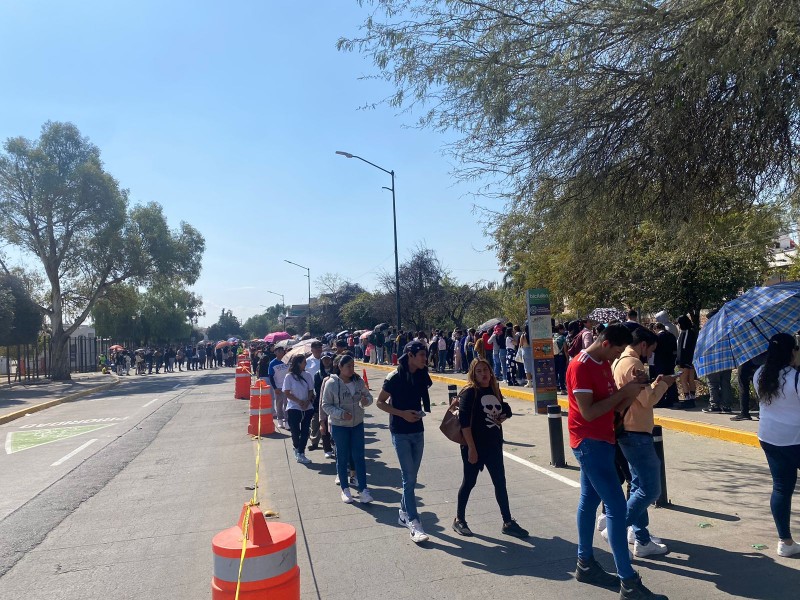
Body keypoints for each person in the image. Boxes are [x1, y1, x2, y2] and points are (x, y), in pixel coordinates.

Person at [567, 324, 667, 599]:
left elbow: (615, 410)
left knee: (589, 501)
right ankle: (628, 581)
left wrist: (634, 389)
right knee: (616, 506)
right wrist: (623, 394)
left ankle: (585, 563)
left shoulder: (601, 363)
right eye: (616, 353)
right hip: (589, 442)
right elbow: (589, 413)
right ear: (606, 343)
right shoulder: (581, 366)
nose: (616, 360)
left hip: (604, 439)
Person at [612, 327, 674, 557]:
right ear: (643, 345)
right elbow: (648, 400)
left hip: (629, 430)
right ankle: (616, 527)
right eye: (651, 350)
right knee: (650, 489)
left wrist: (654, 383)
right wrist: (665, 383)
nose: (651, 355)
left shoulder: (621, 362)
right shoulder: (633, 364)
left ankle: (641, 537)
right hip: (635, 431)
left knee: (638, 486)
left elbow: (640, 395)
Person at [452, 357, 528, 538]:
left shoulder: (493, 389)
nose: (483, 374)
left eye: (485, 370)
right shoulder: (470, 392)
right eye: (479, 371)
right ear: (473, 374)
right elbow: (464, 423)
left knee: (500, 483)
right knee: (469, 482)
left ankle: (508, 522)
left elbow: (505, 408)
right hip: (474, 446)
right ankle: (459, 519)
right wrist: (471, 448)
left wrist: (503, 416)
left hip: (493, 445)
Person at [376, 340, 433, 543]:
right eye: (421, 355)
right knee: (408, 479)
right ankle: (414, 523)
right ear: (410, 355)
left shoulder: (421, 373)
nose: (424, 359)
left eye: (425, 355)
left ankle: (402, 511)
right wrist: (402, 414)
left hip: (418, 430)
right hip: (400, 432)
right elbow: (379, 402)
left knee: (412, 478)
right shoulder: (394, 377)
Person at [754, 333, 800, 557]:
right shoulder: (796, 378)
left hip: (770, 437)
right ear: (792, 351)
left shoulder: (759, 374)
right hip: (796, 438)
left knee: (781, 487)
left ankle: (785, 541)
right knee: (782, 487)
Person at [322, 354, 374, 503]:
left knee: (359, 457)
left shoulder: (358, 381)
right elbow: (326, 405)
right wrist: (340, 414)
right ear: (340, 367)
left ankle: (364, 490)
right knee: (342, 457)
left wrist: (366, 401)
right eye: (348, 366)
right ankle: (345, 490)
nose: (351, 369)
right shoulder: (331, 383)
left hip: (357, 424)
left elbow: (368, 397)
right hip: (340, 426)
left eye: (353, 366)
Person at [282, 354, 316, 464]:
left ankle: (301, 452)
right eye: (304, 362)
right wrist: (298, 401)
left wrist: (307, 401)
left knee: (305, 431)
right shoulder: (289, 376)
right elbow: (286, 392)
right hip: (294, 407)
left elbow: (311, 390)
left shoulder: (307, 375)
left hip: (307, 407)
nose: (305, 364)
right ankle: (296, 447)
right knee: (295, 431)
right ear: (298, 363)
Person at [312, 352, 335, 458]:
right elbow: (317, 389)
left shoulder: (335, 372)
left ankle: (333, 444)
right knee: (323, 425)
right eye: (324, 359)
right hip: (321, 402)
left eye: (328, 359)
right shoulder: (318, 374)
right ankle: (327, 449)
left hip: (334, 403)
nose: (326, 361)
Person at [652, 322, 678, 408]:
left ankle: (661, 399)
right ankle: (672, 398)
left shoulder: (658, 337)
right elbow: (675, 348)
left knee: (661, 380)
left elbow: (655, 349)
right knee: (671, 379)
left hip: (660, 361)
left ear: (656, 329)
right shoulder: (671, 335)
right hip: (670, 361)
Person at [675, 315, 698, 408]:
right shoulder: (691, 332)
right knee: (691, 380)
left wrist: (680, 361)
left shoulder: (686, 333)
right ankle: (692, 398)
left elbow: (683, 348)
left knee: (683, 380)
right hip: (691, 360)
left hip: (685, 361)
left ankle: (688, 399)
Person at [268, 346, 290, 430]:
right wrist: (275, 388)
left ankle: (287, 421)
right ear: (275, 352)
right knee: (279, 404)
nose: (281, 352)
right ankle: (280, 420)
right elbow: (271, 376)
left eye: (282, 351)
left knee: (287, 404)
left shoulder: (287, 361)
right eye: (279, 351)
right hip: (278, 387)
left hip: (287, 386)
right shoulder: (272, 363)